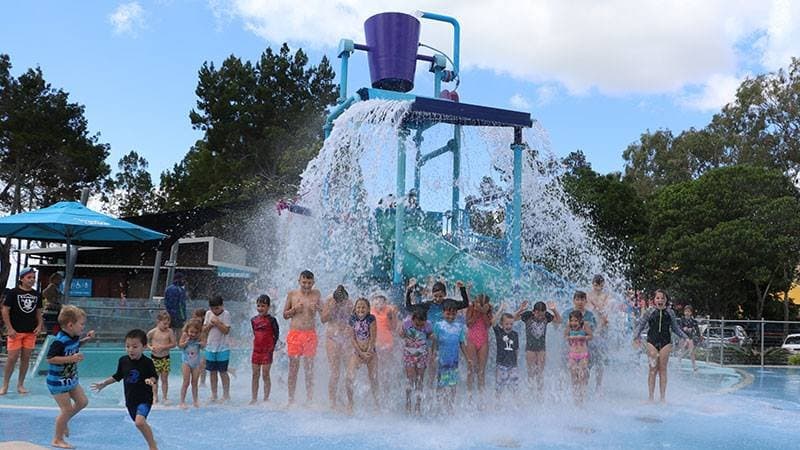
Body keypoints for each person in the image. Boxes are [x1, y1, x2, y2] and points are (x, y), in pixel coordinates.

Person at [91, 329, 159, 450]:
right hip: (130, 401)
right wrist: (104, 383)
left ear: (144, 347)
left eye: (134, 346)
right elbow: (118, 376)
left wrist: (151, 381)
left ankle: (153, 447)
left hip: (144, 399)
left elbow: (154, 376)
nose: (130, 350)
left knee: (139, 422)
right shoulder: (123, 361)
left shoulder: (147, 362)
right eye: (127, 346)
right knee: (138, 423)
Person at [46, 305, 94, 449]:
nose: (83, 327)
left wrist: (86, 339)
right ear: (70, 325)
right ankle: (57, 439)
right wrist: (71, 359)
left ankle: (63, 420)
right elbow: (50, 358)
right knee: (66, 410)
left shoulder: (74, 336)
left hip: (70, 378)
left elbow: (75, 345)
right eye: (82, 324)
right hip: (58, 382)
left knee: (82, 402)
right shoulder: (59, 341)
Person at [406, 278, 469, 386]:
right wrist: (409, 291)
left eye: (440, 296)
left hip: (445, 339)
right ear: (432, 295)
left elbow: (465, 304)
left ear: (444, 294)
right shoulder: (428, 305)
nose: (438, 299)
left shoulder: (448, 303)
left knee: (442, 364)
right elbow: (409, 307)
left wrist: (462, 289)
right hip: (431, 338)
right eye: (435, 296)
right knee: (432, 363)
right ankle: (430, 385)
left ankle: (441, 385)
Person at [633, 290, 692, 403]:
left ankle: (662, 398)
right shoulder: (650, 312)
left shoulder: (670, 313)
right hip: (652, 341)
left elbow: (675, 328)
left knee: (662, 369)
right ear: (654, 300)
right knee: (652, 368)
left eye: (662, 298)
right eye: (658, 298)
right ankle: (650, 397)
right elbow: (641, 325)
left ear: (666, 300)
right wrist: (636, 337)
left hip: (666, 342)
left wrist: (686, 338)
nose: (660, 300)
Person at [1, 267, 44, 395]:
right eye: (29, 277)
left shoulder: (36, 294)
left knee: (26, 358)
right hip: (15, 331)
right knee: (12, 358)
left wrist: (39, 325)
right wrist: (9, 328)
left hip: (30, 331)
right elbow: (5, 310)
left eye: (33, 278)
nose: (32, 280)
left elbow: (38, 312)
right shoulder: (13, 293)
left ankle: (20, 384)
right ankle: (5, 384)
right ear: (22, 279)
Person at [283, 270, 321, 405]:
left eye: (309, 283)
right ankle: (291, 399)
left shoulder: (316, 294)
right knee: (293, 368)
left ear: (313, 283)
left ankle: (309, 399)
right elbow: (285, 315)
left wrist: (316, 308)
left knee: (309, 369)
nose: (306, 285)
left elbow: (322, 314)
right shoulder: (292, 294)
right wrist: (294, 310)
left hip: (310, 334)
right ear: (299, 281)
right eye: (304, 282)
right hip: (295, 334)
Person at [431, 299, 470, 412]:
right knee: (441, 383)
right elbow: (435, 341)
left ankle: (450, 406)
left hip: (454, 361)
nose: (451, 316)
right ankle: (438, 405)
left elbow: (462, 343)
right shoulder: (438, 325)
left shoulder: (459, 326)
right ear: (443, 313)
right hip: (442, 361)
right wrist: (433, 354)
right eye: (448, 313)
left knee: (453, 384)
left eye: (453, 314)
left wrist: (468, 358)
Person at [320, 285, 353, 410]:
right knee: (335, 372)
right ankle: (332, 402)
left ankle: (348, 401)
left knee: (348, 372)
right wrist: (332, 309)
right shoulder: (330, 301)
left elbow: (354, 320)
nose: (342, 303)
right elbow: (323, 319)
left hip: (345, 337)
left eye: (343, 301)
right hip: (332, 337)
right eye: (339, 302)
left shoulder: (350, 303)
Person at [345, 297, 379, 414]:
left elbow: (373, 337)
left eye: (363, 307)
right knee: (349, 378)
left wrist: (368, 352)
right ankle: (350, 403)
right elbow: (352, 339)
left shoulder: (371, 319)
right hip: (357, 353)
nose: (361, 309)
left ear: (368, 309)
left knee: (373, 378)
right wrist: (361, 353)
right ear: (355, 309)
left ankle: (376, 403)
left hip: (371, 352)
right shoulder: (352, 320)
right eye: (358, 307)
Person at [519, 300, 561, 391]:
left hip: (541, 349)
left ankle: (539, 393)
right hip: (530, 349)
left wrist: (554, 310)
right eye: (538, 314)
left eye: (542, 314)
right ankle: (530, 391)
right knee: (531, 372)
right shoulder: (528, 315)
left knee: (540, 373)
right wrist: (520, 310)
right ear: (533, 312)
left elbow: (559, 321)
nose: (540, 317)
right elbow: (513, 318)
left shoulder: (547, 316)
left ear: (545, 312)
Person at [401, 307, 432, 415]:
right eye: (417, 324)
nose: (419, 327)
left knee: (419, 380)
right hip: (409, 354)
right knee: (410, 378)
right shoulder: (406, 323)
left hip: (422, 355)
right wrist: (402, 334)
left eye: (421, 325)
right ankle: (408, 402)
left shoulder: (428, 325)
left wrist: (433, 337)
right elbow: (401, 334)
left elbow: (430, 335)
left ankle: (418, 405)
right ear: (412, 320)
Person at [251, 294, 279, 404]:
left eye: (263, 306)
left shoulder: (272, 320)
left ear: (268, 307)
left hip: (267, 351)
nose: (260, 308)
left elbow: (276, 334)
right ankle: (254, 398)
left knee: (265, 374)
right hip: (256, 351)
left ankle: (266, 398)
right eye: (258, 306)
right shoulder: (253, 320)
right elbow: (255, 333)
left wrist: (272, 347)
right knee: (255, 374)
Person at [203, 295, 232, 402]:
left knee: (223, 371)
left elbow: (226, 330)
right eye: (212, 308)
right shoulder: (208, 314)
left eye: (217, 308)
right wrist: (211, 324)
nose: (215, 311)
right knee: (212, 372)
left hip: (223, 348)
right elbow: (204, 330)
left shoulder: (226, 314)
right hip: (210, 347)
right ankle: (214, 394)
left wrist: (218, 323)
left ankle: (226, 394)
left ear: (222, 306)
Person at [586, 275, 611, 393]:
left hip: (602, 330)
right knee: (588, 359)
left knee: (600, 360)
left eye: (600, 285)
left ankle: (598, 386)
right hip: (590, 329)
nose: (597, 287)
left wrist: (595, 304)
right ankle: (585, 384)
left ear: (603, 285)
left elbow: (605, 314)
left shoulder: (606, 296)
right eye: (595, 285)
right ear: (592, 284)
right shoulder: (587, 295)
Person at [147, 311, 176, 404]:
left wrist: (164, 347)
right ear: (158, 322)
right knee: (154, 379)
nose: (166, 326)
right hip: (155, 359)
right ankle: (155, 396)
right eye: (164, 323)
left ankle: (164, 397)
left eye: (168, 323)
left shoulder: (170, 332)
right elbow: (144, 341)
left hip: (165, 358)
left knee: (164, 379)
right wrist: (150, 347)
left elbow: (174, 344)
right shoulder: (153, 332)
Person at [465, 292, 492, 393]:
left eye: (483, 304)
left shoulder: (488, 311)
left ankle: (481, 395)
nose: (480, 305)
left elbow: (488, 325)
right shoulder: (471, 309)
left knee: (481, 370)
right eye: (479, 303)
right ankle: (470, 394)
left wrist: (484, 312)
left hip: (483, 341)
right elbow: (468, 324)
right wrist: (477, 312)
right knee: (471, 369)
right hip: (472, 340)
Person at [492, 308, 522, 398]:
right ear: (502, 324)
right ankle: (498, 401)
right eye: (507, 324)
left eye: (511, 324)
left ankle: (515, 401)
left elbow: (516, 349)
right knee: (499, 384)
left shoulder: (515, 334)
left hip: (512, 364)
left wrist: (516, 363)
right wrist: (500, 310)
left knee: (514, 385)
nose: (509, 326)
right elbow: (493, 321)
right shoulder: (499, 332)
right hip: (501, 364)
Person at [565, 310, 592, 404]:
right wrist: (570, 338)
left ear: (580, 320)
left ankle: (582, 397)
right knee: (574, 376)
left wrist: (583, 337)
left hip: (583, 354)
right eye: (572, 320)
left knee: (581, 375)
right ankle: (575, 397)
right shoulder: (569, 327)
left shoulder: (585, 327)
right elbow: (565, 336)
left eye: (576, 321)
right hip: (572, 355)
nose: (574, 323)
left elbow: (591, 336)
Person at [177, 318, 204, 408]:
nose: (193, 334)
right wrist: (186, 342)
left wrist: (201, 344)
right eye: (191, 332)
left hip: (196, 362)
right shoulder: (185, 335)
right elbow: (180, 346)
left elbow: (204, 346)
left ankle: (195, 401)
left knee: (195, 382)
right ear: (187, 329)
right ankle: (182, 401)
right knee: (186, 381)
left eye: (196, 332)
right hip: (186, 361)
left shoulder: (199, 336)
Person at [677, 305, 702, 371]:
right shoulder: (682, 320)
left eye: (688, 311)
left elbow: (697, 331)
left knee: (691, 351)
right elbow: (679, 329)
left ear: (691, 313)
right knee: (682, 349)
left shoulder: (693, 321)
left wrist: (692, 330)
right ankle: (679, 362)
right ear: (684, 312)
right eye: (686, 311)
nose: (687, 313)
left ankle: (694, 365)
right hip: (683, 337)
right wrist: (683, 328)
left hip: (690, 337)